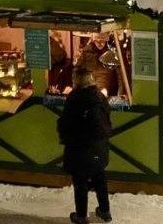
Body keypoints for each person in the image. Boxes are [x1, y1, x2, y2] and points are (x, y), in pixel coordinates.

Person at [58, 68, 112, 224]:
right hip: (99, 145)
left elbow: (66, 122)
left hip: (79, 145)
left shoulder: (74, 97)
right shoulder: (100, 96)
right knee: (100, 178)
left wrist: (64, 134)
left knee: (80, 181)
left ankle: (82, 216)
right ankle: (105, 211)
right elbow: (107, 119)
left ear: (77, 80)